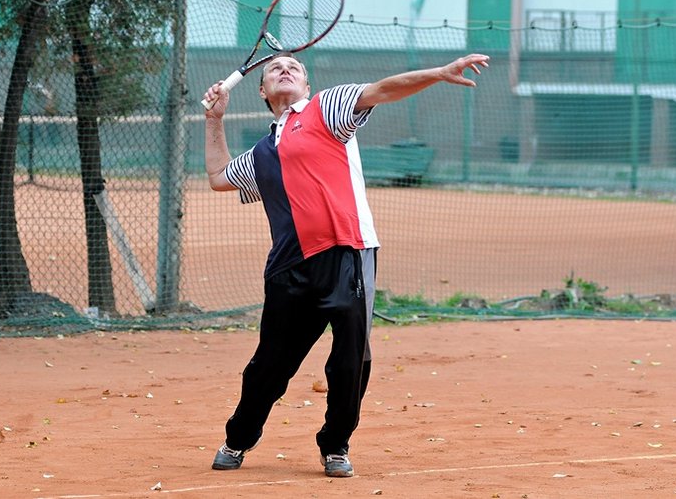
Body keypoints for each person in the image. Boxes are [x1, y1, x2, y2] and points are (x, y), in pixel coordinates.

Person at [202, 51, 490, 478]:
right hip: (287, 268)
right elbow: (218, 177)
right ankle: (238, 439)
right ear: (262, 92)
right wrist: (215, 118)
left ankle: (335, 446)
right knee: (270, 364)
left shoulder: (327, 109)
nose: (285, 70)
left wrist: (439, 74)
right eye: (274, 70)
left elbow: (383, 90)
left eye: (294, 68)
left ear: (307, 86)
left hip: (348, 254)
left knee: (351, 360)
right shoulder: (261, 154)